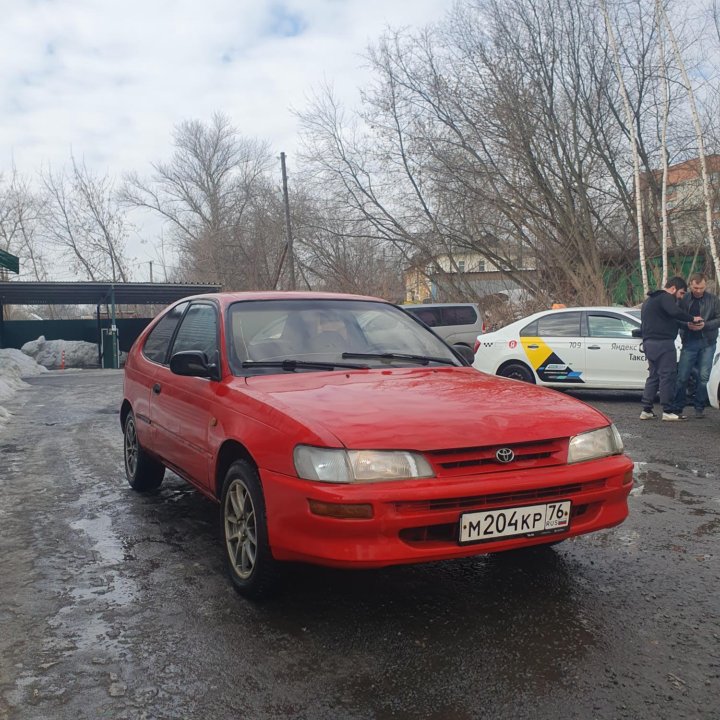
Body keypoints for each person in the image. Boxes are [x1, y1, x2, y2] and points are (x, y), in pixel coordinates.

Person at [639, 276, 701, 421]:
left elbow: (669, 320)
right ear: (673, 288)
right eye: (680, 293)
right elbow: (674, 313)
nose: (680, 298)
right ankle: (668, 410)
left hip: (649, 343)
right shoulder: (666, 297)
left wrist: (686, 325)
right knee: (668, 375)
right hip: (663, 344)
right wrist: (692, 319)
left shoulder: (650, 301)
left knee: (654, 376)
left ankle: (646, 409)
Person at [669, 272, 720, 419]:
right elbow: (676, 317)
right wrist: (687, 325)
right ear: (691, 284)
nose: (699, 291)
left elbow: (719, 319)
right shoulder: (684, 299)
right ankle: (678, 406)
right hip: (689, 340)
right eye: (696, 287)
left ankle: (699, 406)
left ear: (705, 286)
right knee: (682, 376)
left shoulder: (713, 300)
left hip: (708, 341)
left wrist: (705, 325)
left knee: (704, 377)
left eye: (702, 288)